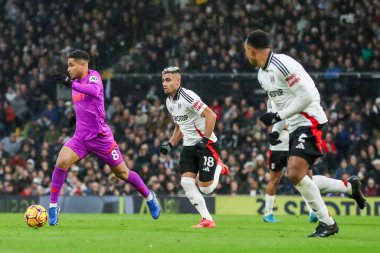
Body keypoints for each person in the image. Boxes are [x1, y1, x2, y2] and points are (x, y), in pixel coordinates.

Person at [244, 30, 364, 237]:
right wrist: (277, 128)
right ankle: (348, 187)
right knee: (301, 177)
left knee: (294, 174)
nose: (245, 55)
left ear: (252, 51)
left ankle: (327, 222)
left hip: (311, 121)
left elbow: (306, 97)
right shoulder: (262, 75)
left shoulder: (282, 64)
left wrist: (277, 116)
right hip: (295, 125)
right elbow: (278, 102)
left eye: (246, 51)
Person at [49, 50, 160, 225]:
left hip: (101, 138)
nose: (68, 68)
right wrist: (75, 116)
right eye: (67, 65)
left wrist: (68, 83)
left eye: (71, 65)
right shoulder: (75, 83)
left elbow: (93, 92)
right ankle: (53, 207)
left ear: (83, 64)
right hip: (81, 138)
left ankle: (149, 195)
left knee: (123, 173)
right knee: (61, 162)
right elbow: (87, 105)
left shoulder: (94, 77)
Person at [264, 99, 366, 223]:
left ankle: (313, 210)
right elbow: (275, 120)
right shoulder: (273, 98)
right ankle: (268, 213)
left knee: (306, 177)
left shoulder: (294, 92)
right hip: (280, 141)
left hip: (297, 138)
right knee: (275, 178)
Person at [159, 66, 229, 228]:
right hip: (188, 147)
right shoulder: (169, 102)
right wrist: (170, 144)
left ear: (178, 81)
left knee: (205, 189)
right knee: (186, 182)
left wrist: (205, 139)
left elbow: (211, 115)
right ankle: (207, 219)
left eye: (168, 80)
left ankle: (219, 166)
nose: (164, 83)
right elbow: (179, 127)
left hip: (206, 145)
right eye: (163, 80)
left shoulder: (187, 96)